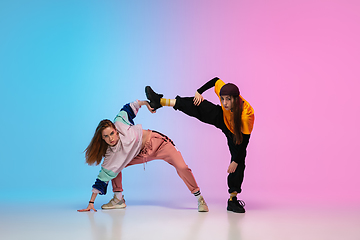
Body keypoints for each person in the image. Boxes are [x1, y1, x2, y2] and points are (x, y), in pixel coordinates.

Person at [145, 77, 254, 213]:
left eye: (228, 99)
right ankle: (159, 102)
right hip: (223, 118)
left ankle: (232, 199)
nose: (224, 103)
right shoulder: (224, 100)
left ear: (236, 99)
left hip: (236, 133)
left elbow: (244, 144)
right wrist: (199, 92)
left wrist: (235, 160)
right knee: (199, 104)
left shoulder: (246, 115)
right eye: (222, 99)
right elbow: (216, 80)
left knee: (239, 163)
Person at [78, 99, 208, 212]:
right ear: (102, 139)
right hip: (137, 154)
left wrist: (145, 103)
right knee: (114, 168)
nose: (110, 138)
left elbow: (129, 107)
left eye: (112, 133)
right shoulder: (110, 154)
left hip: (159, 144)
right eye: (106, 136)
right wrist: (91, 203)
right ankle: (118, 200)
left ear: (116, 131)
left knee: (182, 168)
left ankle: (200, 199)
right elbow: (102, 177)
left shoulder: (120, 123)